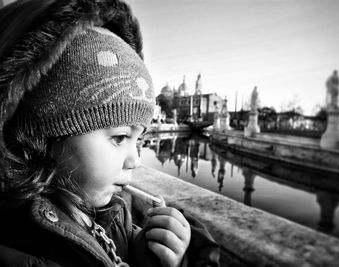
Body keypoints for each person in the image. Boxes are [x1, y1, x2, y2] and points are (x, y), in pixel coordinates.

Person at [0, 0, 220, 266]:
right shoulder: (21, 250)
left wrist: (139, 253)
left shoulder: (110, 213)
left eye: (139, 139)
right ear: (48, 132)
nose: (135, 160)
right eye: (119, 137)